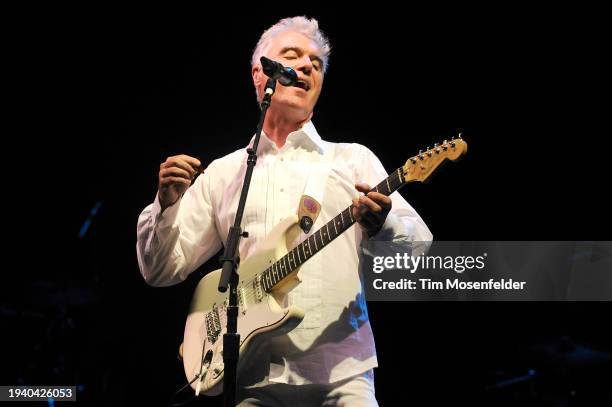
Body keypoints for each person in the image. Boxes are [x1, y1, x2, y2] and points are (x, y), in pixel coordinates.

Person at [137, 16, 432, 406]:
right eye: (293, 56)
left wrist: (385, 224)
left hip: (342, 372)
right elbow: (160, 269)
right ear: (260, 74)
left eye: (317, 63)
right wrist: (167, 206)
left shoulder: (353, 160)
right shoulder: (225, 173)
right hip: (255, 378)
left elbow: (419, 252)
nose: (308, 66)